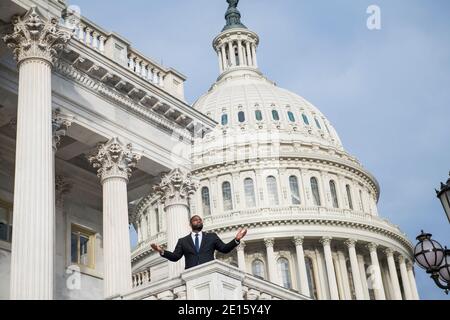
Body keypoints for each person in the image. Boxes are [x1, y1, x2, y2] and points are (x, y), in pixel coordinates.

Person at [151, 215, 247, 269]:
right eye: (196, 220)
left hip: (209, 270)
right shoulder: (183, 241)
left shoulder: (211, 237)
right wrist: (162, 251)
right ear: (190, 224)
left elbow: (224, 249)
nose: (199, 221)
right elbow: (175, 257)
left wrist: (236, 240)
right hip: (191, 274)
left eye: (200, 220)